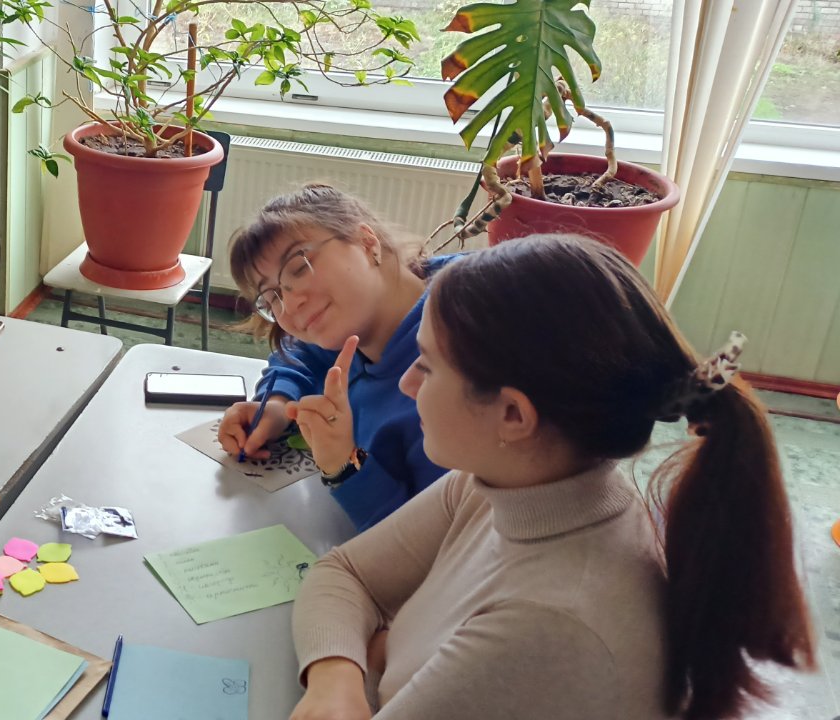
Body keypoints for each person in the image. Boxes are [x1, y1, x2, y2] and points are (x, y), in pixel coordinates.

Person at [289, 234, 813, 719]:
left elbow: (357, 593)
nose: (406, 383)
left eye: (426, 365)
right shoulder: (506, 480)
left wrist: (377, 646)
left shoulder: (549, 623)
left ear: (513, 415)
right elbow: (343, 573)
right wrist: (336, 678)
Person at [219, 184, 450, 531]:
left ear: (367, 242)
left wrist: (344, 465)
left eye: (299, 266)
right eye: (272, 297)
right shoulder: (359, 323)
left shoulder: (459, 364)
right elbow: (303, 351)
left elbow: (437, 542)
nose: (290, 304)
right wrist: (279, 403)